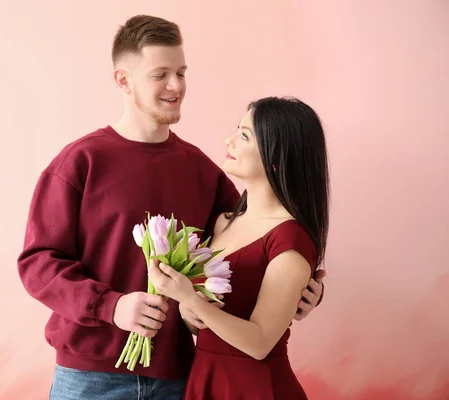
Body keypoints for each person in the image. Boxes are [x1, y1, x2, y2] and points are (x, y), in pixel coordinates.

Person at [17, 15, 325, 400]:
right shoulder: (80, 161)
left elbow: (252, 244)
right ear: (123, 80)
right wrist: (111, 307)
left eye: (181, 72)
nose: (176, 86)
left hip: (180, 379)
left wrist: (304, 288)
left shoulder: (201, 170)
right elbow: (37, 262)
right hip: (90, 380)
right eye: (160, 74)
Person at [148, 96, 330, 399]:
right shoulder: (221, 222)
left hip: (256, 388)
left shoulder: (290, 241)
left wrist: (189, 299)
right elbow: (207, 322)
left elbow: (259, 344)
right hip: (206, 379)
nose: (229, 141)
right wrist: (188, 311)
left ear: (276, 158)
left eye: (244, 135)